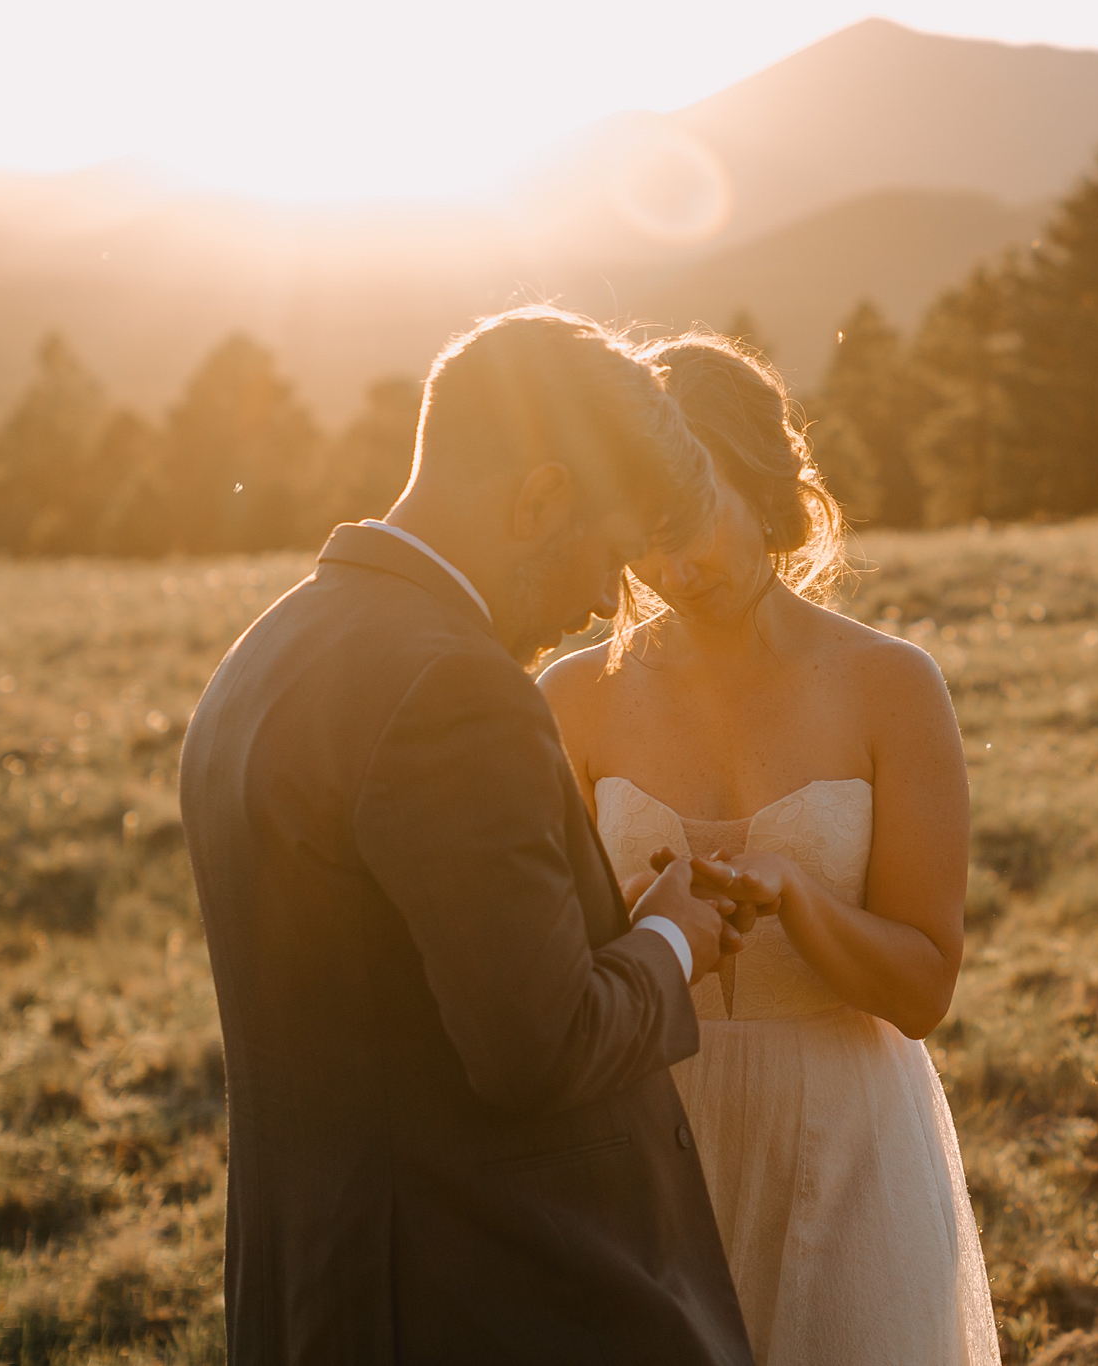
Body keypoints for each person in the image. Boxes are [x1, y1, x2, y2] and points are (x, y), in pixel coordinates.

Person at [178, 307, 756, 1365]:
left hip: (312, 1289)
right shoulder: (457, 689)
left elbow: (393, 976)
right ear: (541, 498)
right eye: (613, 552)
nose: (603, 602)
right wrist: (667, 940)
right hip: (483, 1300)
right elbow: (539, 1050)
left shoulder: (268, 650)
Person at [540, 332, 999, 1365]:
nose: (670, 566)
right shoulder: (571, 701)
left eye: (690, 522)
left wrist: (800, 895)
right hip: (642, 1152)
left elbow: (923, 990)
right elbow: (539, 976)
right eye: (639, 535)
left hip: (846, 1147)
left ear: (764, 487)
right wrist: (625, 919)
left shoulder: (891, 686)